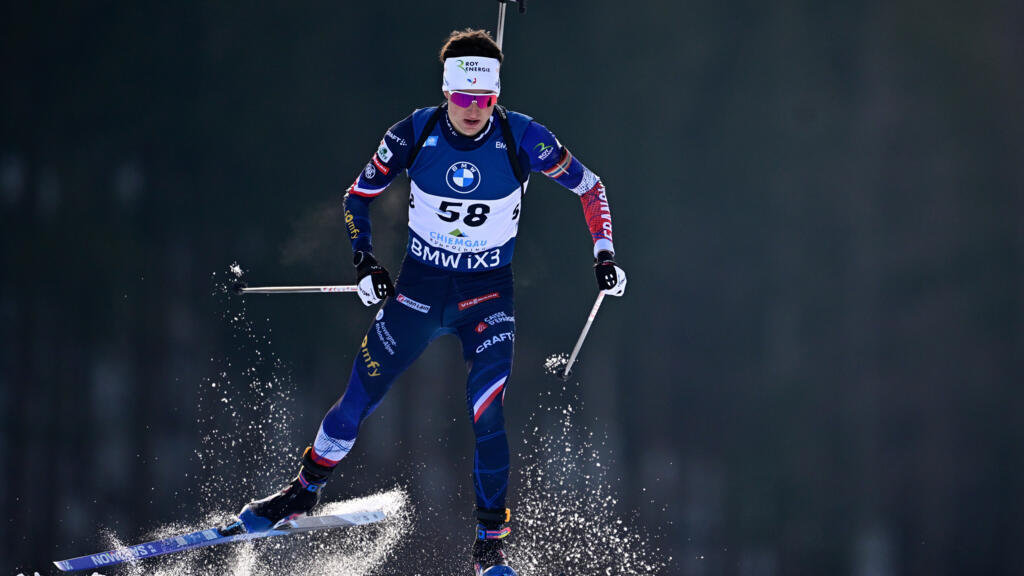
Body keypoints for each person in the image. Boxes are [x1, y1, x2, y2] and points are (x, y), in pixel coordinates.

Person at [234, 28, 626, 576]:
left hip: (487, 296)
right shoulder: (414, 133)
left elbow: (591, 187)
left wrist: (604, 254)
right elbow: (357, 197)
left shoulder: (523, 137)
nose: (473, 109)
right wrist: (365, 261)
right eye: (463, 97)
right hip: (420, 290)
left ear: (496, 95)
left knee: (487, 412)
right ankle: (303, 491)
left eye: (484, 98)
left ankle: (490, 545)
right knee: (358, 397)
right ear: (446, 91)